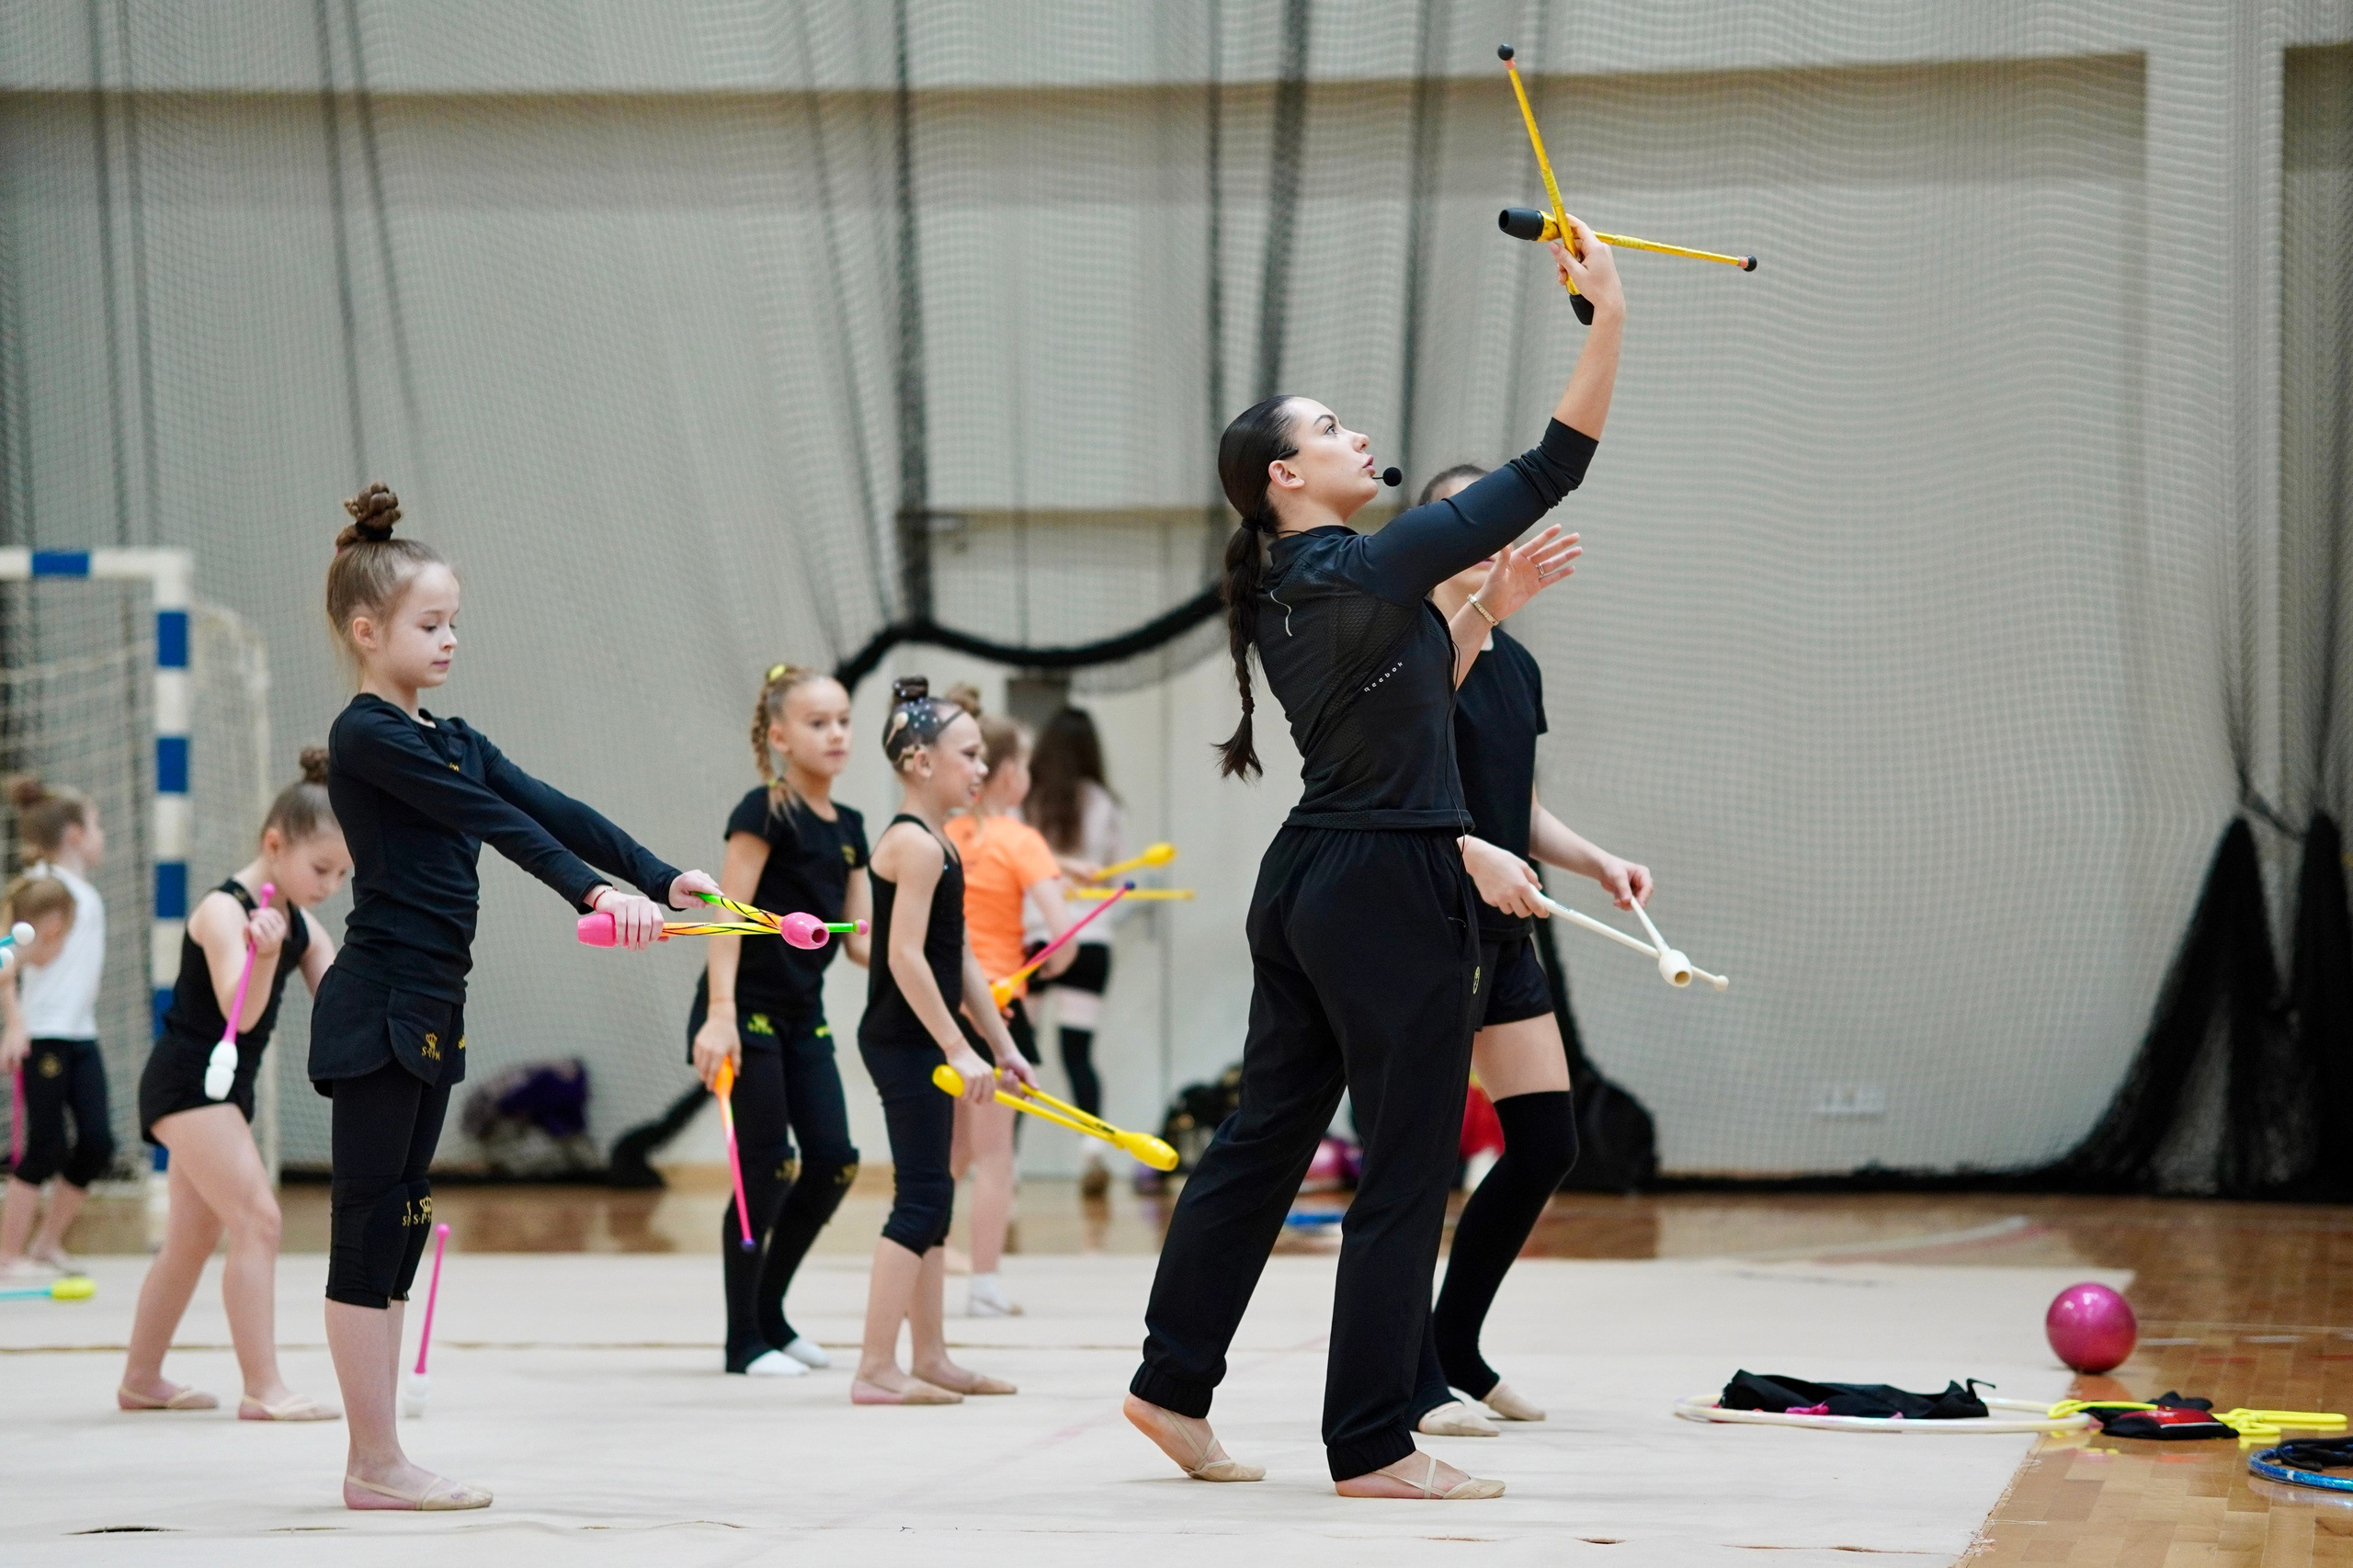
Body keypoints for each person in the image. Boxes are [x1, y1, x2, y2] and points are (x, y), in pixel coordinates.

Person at [1124, 222, 1622, 1500]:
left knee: (1264, 1137)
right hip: (1387, 889)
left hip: (1310, 880)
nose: (1358, 437)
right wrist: (1607, 316)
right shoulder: (1360, 559)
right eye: (1335, 427)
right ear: (1288, 471)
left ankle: (1171, 1382)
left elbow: (1411, 707)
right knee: (1406, 1163)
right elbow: (1550, 466)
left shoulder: (1308, 581)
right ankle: (1374, 1443)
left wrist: (1479, 614)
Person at [313, 482, 717, 1510]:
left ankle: (380, 1453)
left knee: (404, 1217)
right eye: (429, 623)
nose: (449, 639)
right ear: (368, 630)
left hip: (433, 1005)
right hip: (380, 1003)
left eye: (454, 622)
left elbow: (549, 804)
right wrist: (593, 891)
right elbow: (492, 821)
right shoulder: (368, 736)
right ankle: (372, 1461)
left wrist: (660, 873)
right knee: (369, 1222)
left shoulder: (451, 732)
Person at [1401, 464, 1655, 1440]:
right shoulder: (1417, 648)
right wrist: (1472, 856)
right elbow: (1404, 786)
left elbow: (1517, 802)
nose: (1497, 537)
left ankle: (1457, 1342)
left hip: (1504, 931)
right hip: (1427, 925)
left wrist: (1596, 861)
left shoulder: (1519, 664)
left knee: (1547, 1138)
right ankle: (1412, 1372)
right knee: (1416, 1157)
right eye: (1475, 520)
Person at [120, 750, 354, 1420]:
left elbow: (339, 1001)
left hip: (223, 1094)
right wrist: (269, 951)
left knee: (191, 1240)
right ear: (274, 844)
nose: (332, 885)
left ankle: (140, 1378)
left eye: (344, 873)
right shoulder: (223, 913)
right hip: (187, 1083)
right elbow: (238, 1012)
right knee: (259, 1219)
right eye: (321, 869)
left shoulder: (303, 924)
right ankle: (264, 1387)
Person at [853, 677, 1036, 1404]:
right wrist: (957, 1050)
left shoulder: (939, 844)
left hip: (926, 1040)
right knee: (922, 1198)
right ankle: (874, 1366)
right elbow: (902, 956)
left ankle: (929, 1355)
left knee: (932, 1198)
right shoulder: (912, 845)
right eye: (968, 755)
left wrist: (998, 1044)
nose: (981, 769)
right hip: (902, 1042)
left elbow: (956, 956)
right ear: (920, 761)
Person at [688, 664, 870, 1377]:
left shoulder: (852, 828)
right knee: (764, 1168)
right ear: (780, 737)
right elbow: (724, 917)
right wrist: (721, 1014)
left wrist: (941, 970)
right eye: (819, 722)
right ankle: (744, 1341)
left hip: (803, 1016)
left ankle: (773, 1315)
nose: (836, 734)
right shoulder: (764, 810)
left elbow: (858, 942)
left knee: (833, 1162)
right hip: (744, 1012)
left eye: (844, 721)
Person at [940, 693, 1076, 1316]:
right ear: (1009, 773)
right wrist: (1050, 962)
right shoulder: (1022, 841)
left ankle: (929, 1254)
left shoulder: (941, 832)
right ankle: (985, 1288)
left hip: (940, 1007)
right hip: (994, 1009)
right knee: (995, 1158)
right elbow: (1064, 936)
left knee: (953, 1151)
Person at [0, 777, 112, 1279]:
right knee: (42, 1147)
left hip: (81, 1036)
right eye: (96, 824)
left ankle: (47, 1244)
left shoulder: (83, 893)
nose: (101, 834)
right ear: (73, 833)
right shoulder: (40, 889)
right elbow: (6, 958)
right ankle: (6, 1255)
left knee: (97, 1142)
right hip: (44, 1034)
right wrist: (15, 1023)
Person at [1024, 706, 1126, 1198]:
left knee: (1018, 1053)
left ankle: (1011, 1164)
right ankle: (1093, 1153)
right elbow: (1110, 868)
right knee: (1077, 1053)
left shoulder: (1025, 799)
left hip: (1036, 936)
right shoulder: (1105, 802)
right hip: (1091, 937)